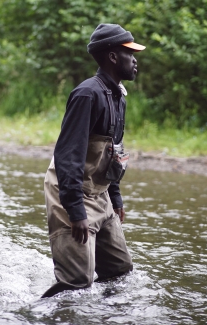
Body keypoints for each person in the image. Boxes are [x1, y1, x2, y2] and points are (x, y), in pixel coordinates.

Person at [42, 23, 145, 298]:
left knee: (120, 271)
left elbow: (114, 151)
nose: (135, 59)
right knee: (75, 284)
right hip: (70, 193)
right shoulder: (87, 94)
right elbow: (68, 155)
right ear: (113, 57)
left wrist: (117, 198)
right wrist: (76, 212)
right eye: (129, 53)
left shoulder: (118, 96)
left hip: (100, 194)